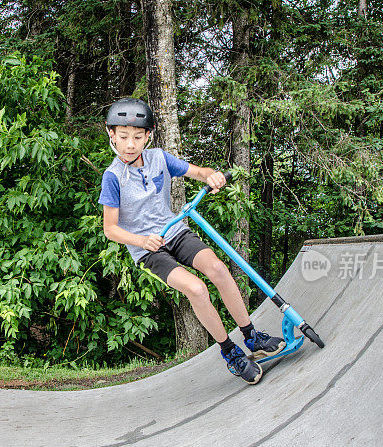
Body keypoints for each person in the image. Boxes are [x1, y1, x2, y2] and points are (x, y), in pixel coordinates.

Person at [98, 98, 285, 384]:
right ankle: (230, 352)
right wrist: (141, 241)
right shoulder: (112, 177)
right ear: (111, 134)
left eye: (137, 137)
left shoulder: (159, 158)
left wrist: (213, 176)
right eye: (123, 137)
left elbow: (198, 172)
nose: (130, 144)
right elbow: (110, 229)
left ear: (148, 135)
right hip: (148, 251)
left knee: (219, 270)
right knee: (196, 289)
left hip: (176, 232)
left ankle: (252, 336)